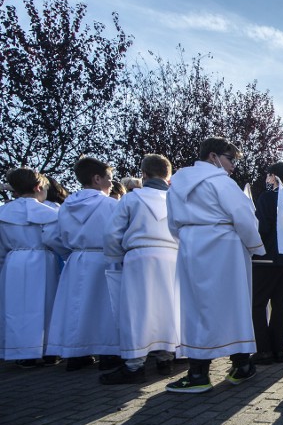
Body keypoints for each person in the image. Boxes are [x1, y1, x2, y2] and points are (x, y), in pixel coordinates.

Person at [165, 137, 265, 393]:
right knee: (233, 305)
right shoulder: (221, 182)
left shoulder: (177, 183)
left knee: (197, 308)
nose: (232, 167)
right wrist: (255, 246)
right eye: (230, 159)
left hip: (192, 246)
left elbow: (173, 223)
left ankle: (199, 371)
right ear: (213, 156)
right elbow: (244, 216)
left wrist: (190, 238)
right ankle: (241, 365)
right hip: (224, 247)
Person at [100, 154, 180, 385]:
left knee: (137, 312)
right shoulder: (176, 200)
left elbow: (112, 233)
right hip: (172, 257)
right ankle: (166, 358)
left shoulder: (131, 199)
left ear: (143, 174)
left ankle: (134, 365)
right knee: (168, 308)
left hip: (140, 257)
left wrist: (116, 257)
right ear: (169, 176)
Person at [44, 156, 121, 371]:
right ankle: (109, 353)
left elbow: (54, 236)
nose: (111, 183)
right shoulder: (110, 204)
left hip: (77, 258)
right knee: (106, 307)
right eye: (109, 178)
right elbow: (119, 233)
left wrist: (70, 252)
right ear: (97, 179)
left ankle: (77, 354)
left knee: (78, 307)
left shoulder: (66, 205)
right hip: (105, 258)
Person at [0, 168, 61, 366]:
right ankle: (47, 349)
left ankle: (21, 351)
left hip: (14, 261)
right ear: (38, 187)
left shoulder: (4, 213)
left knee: (16, 307)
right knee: (46, 305)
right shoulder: (48, 213)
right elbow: (54, 239)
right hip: (42, 260)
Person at [250, 162, 283, 365]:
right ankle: (278, 349)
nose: (266, 179)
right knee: (280, 303)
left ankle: (263, 350)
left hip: (266, 258)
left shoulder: (266, 197)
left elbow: (261, 228)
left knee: (258, 304)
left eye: (268, 176)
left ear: (272, 177)